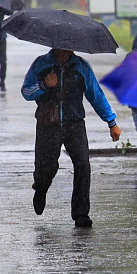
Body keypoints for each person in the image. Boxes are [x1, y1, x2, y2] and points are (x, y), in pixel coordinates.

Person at [21, 48, 121, 228]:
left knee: (83, 164)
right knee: (46, 167)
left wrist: (111, 122)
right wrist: (44, 85)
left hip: (74, 124)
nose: (66, 51)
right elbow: (26, 92)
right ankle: (41, 188)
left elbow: (95, 95)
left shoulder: (81, 67)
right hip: (48, 124)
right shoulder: (41, 64)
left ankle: (81, 214)